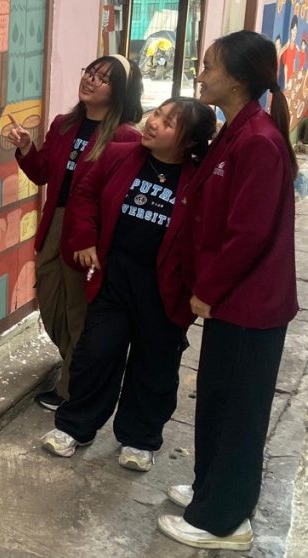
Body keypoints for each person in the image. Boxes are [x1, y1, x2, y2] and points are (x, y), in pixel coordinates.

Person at [157, 31, 299, 551]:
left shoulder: (258, 140)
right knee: (217, 400)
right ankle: (209, 490)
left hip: (248, 304)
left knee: (238, 411)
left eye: (209, 67)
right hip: (233, 301)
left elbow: (249, 233)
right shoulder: (235, 132)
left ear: (237, 79)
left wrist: (208, 290)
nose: (200, 76)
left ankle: (224, 520)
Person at [38, 98, 216, 470]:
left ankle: (139, 438)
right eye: (157, 114)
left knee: (155, 366)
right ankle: (75, 426)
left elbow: (208, 236)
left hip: (166, 289)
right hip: (115, 278)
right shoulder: (119, 155)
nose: (154, 122)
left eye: (168, 122)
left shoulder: (201, 179)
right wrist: (85, 238)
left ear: (188, 141)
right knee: (96, 354)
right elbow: (84, 194)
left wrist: (203, 287)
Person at [6, 55, 143, 410]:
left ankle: (72, 389)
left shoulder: (126, 137)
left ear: (120, 91)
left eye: (104, 78)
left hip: (89, 233)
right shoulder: (64, 124)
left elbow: (118, 197)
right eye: (90, 72)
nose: (91, 80)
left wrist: (96, 240)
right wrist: (26, 147)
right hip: (56, 222)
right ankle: (82, 368)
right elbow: (42, 174)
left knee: (78, 309)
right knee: (50, 300)